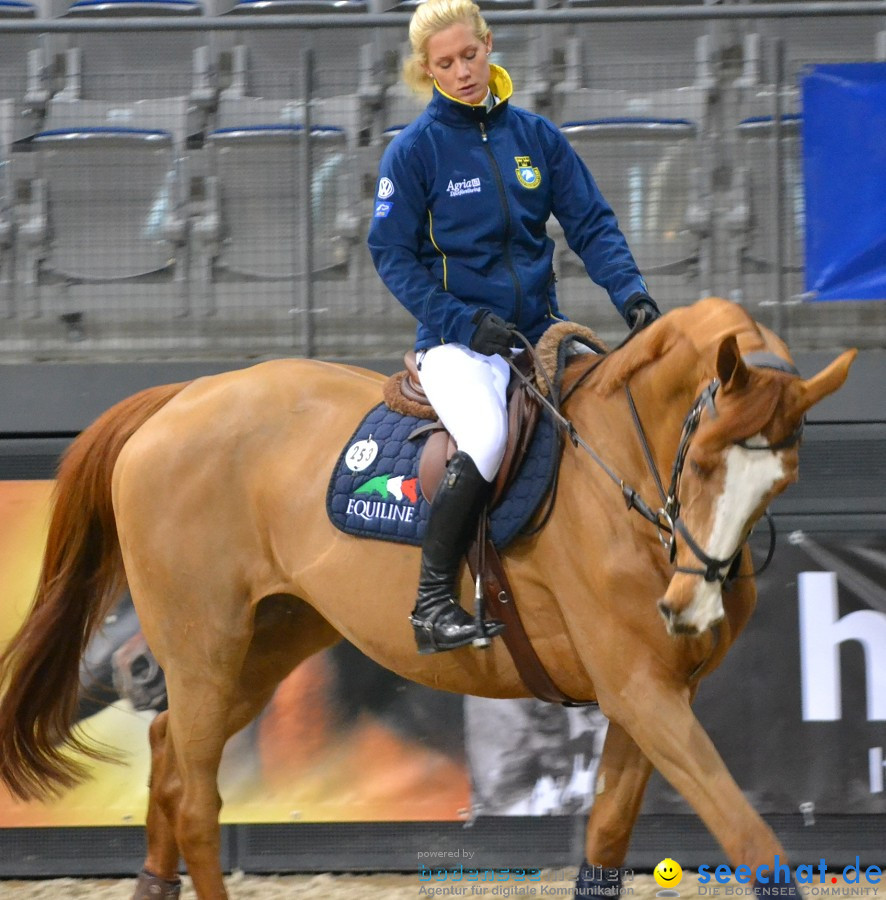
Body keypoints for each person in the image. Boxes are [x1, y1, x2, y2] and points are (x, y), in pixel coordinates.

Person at [368, 0, 660, 656]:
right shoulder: (413, 153)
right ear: (427, 70)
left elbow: (590, 223)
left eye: (469, 55)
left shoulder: (535, 137)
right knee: (489, 434)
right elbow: (390, 253)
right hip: (456, 342)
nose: (463, 72)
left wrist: (633, 297)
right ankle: (433, 602)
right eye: (445, 64)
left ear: (488, 44)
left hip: (540, 330)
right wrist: (464, 324)